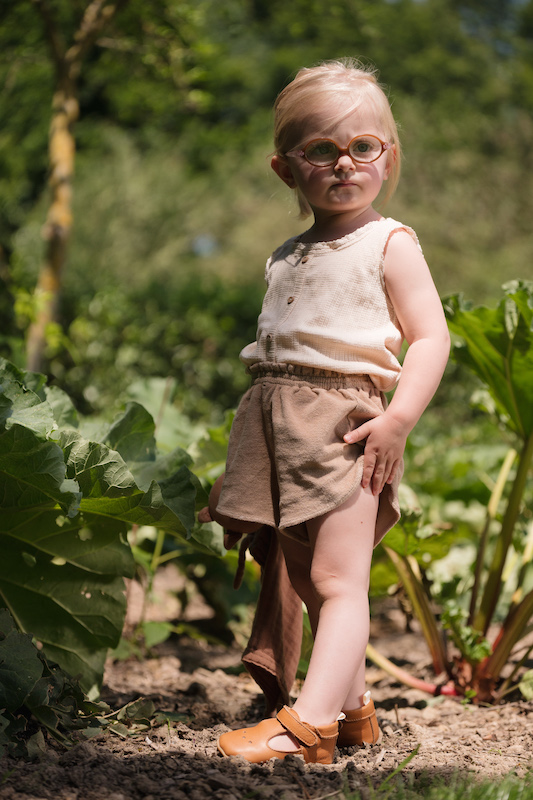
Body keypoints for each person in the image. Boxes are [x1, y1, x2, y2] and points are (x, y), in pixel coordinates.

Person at [200, 58, 450, 765]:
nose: (344, 163)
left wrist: (397, 419)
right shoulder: (287, 254)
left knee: (339, 582)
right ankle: (352, 710)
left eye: (362, 147)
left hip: (346, 427)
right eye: (321, 150)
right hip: (280, 425)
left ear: (387, 156)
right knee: (310, 579)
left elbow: (431, 336)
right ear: (286, 169)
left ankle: (304, 726)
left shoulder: (388, 243)